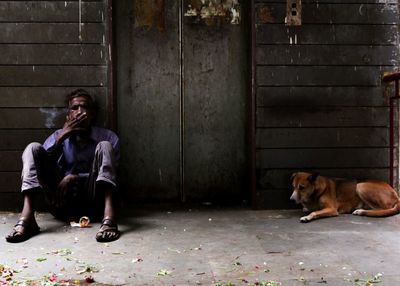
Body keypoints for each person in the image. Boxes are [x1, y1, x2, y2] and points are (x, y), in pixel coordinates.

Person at [5, 89, 120, 243]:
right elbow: (41, 166)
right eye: (74, 108)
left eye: (84, 107)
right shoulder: (57, 136)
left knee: (105, 146)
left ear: (92, 114)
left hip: (94, 204)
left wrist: (74, 177)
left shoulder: (108, 137)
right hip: (61, 204)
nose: (79, 112)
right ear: (68, 115)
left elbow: (113, 172)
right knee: (32, 148)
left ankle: (109, 221)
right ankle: (27, 218)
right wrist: (62, 137)